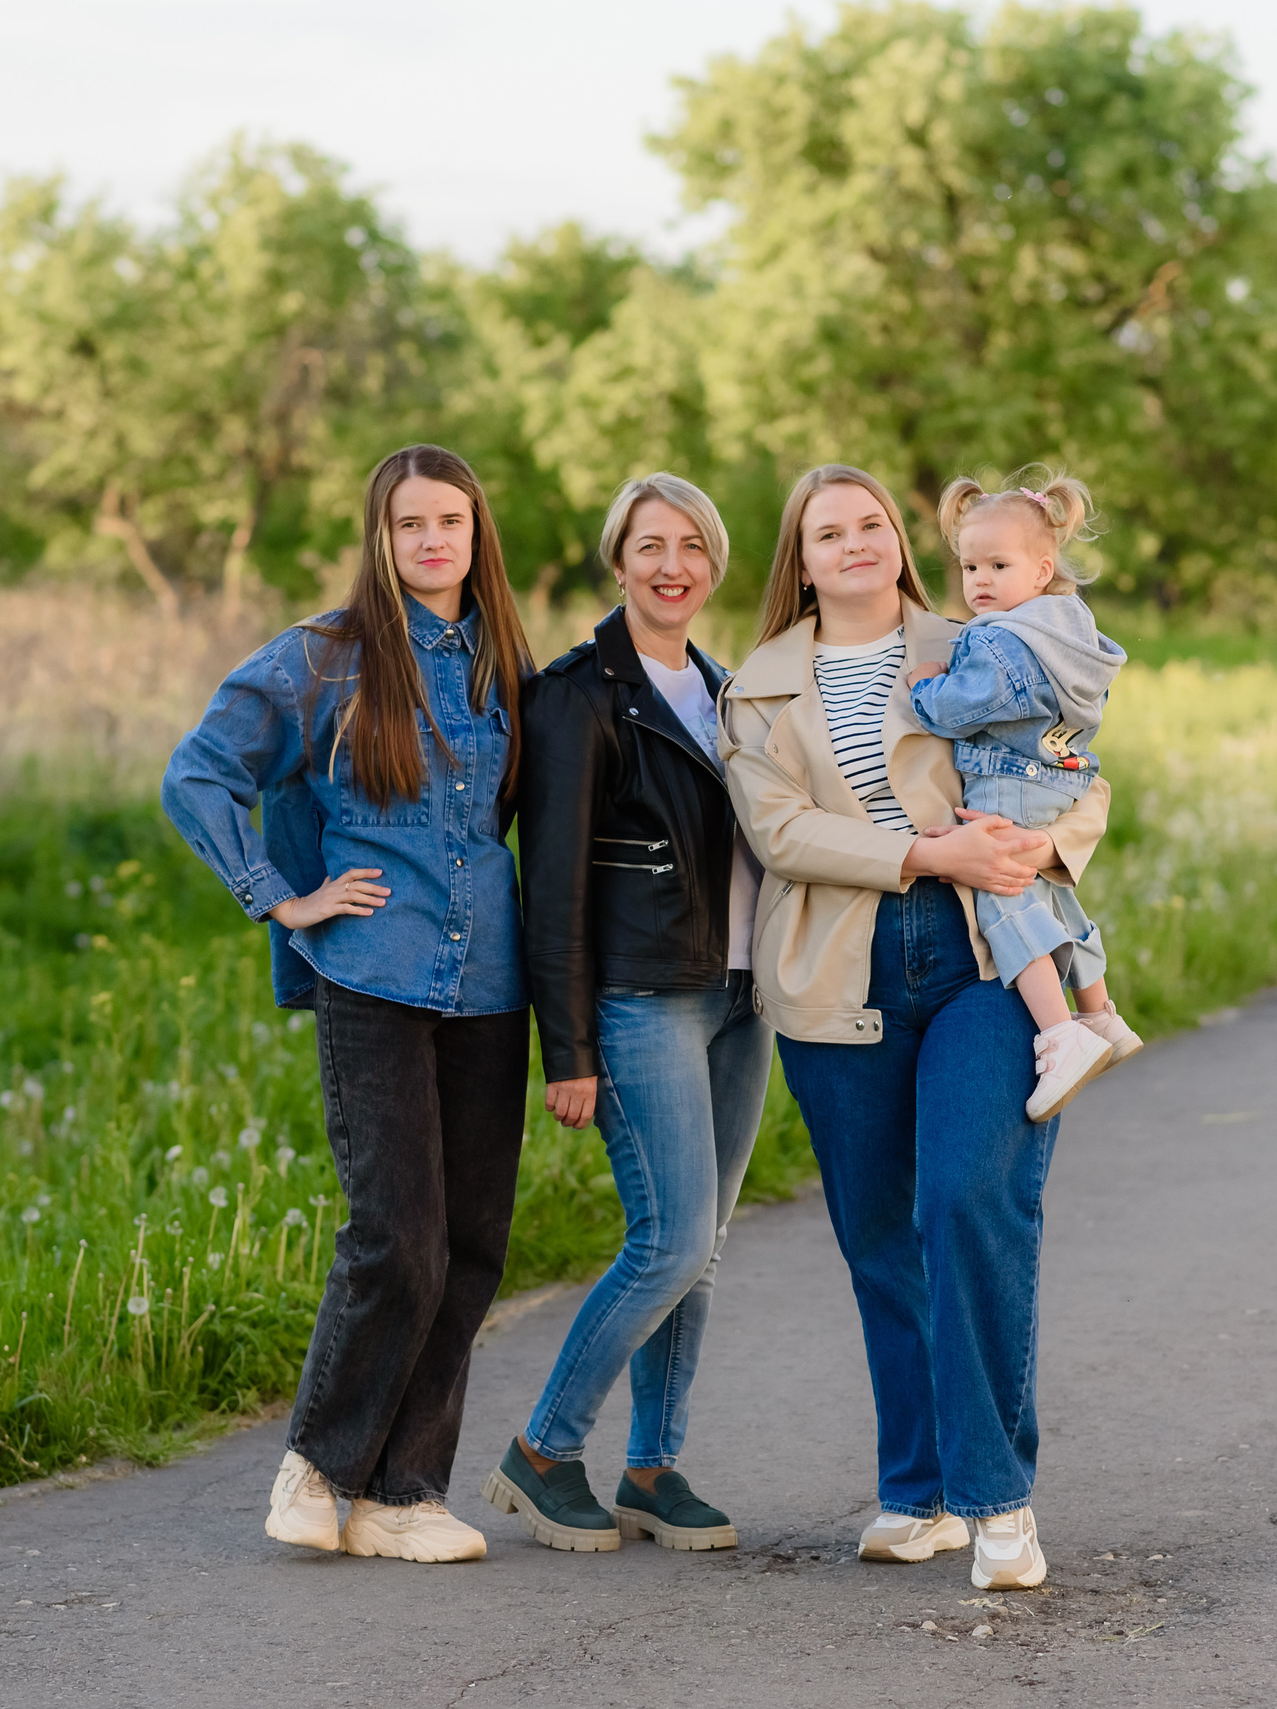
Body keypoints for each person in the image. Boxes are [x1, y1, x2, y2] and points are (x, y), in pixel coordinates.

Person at [717, 464, 1113, 1592]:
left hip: (990, 955)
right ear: (800, 559)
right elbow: (778, 829)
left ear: (900, 537)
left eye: (871, 523)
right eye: (827, 531)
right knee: (881, 1235)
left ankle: (999, 1502)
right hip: (836, 969)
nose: (854, 543)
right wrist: (924, 850)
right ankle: (918, 1487)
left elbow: (1078, 761)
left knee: (967, 1199)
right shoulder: (758, 687)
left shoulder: (988, 629)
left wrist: (1047, 846)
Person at [161, 443, 535, 1565]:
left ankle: (404, 1492)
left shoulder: (505, 664)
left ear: (478, 535)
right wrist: (283, 898)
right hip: (370, 971)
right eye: (411, 523)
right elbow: (200, 772)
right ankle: (319, 1466)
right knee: (398, 1237)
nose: (433, 541)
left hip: (487, 985)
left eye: (451, 523)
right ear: (380, 535)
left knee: (471, 1244)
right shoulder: (321, 660)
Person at [482, 472, 769, 1554]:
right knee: (669, 1237)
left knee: (705, 1244)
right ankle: (546, 1449)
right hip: (643, 999)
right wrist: (569, 1045)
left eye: (692, 545)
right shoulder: (577, 695)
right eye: (650, 544)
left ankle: (653, 1465)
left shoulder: (730, 689)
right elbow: (549, 883)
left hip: (745, 997)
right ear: (619, 559)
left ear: (712, 564)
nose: (672, 565)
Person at [904, 469, 1140, 1121]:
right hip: (1060, 773)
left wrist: (926, 685)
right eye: (970, 566)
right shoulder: (1070, 628)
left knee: (1002, 898)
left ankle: (1058, 1031)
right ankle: (1098, 1011)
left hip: (1009, 781)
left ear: (1042, 569)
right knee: (1052, 892)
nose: (979, 581)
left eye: (997, 565)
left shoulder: (1001, 640)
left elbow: (956, 710)